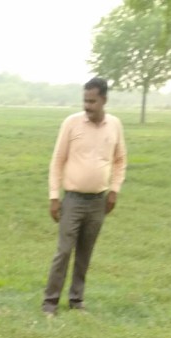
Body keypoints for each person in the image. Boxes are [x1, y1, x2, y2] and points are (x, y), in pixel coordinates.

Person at [42, 77, 127, 317]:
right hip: (73, 200)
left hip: (99, 201)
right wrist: (54, 196)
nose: (87, 106)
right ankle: (49, 303)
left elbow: (120, 160)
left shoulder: (115, 125)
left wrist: (114, 190)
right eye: (85, 100)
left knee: (85, 252)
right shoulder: (71, 123)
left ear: (104, 100)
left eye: (92, 101)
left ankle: (76, 300)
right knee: (64, 251)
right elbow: (57, 161)